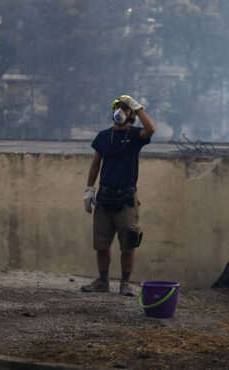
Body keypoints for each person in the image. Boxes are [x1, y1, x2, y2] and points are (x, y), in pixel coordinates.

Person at [81, 95, 155, 296]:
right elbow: (96, 163)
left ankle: (125, 283)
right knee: (102, 244)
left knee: (129, 244)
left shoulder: (135, 136)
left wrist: (138, 108)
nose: (120, 112)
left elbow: (151, 130)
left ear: (131, 114)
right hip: (105, 198)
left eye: (125, 108)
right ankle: (102, 281)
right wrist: (89, 190)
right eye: (118, 108)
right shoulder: (103, 136)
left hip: (127, 200)